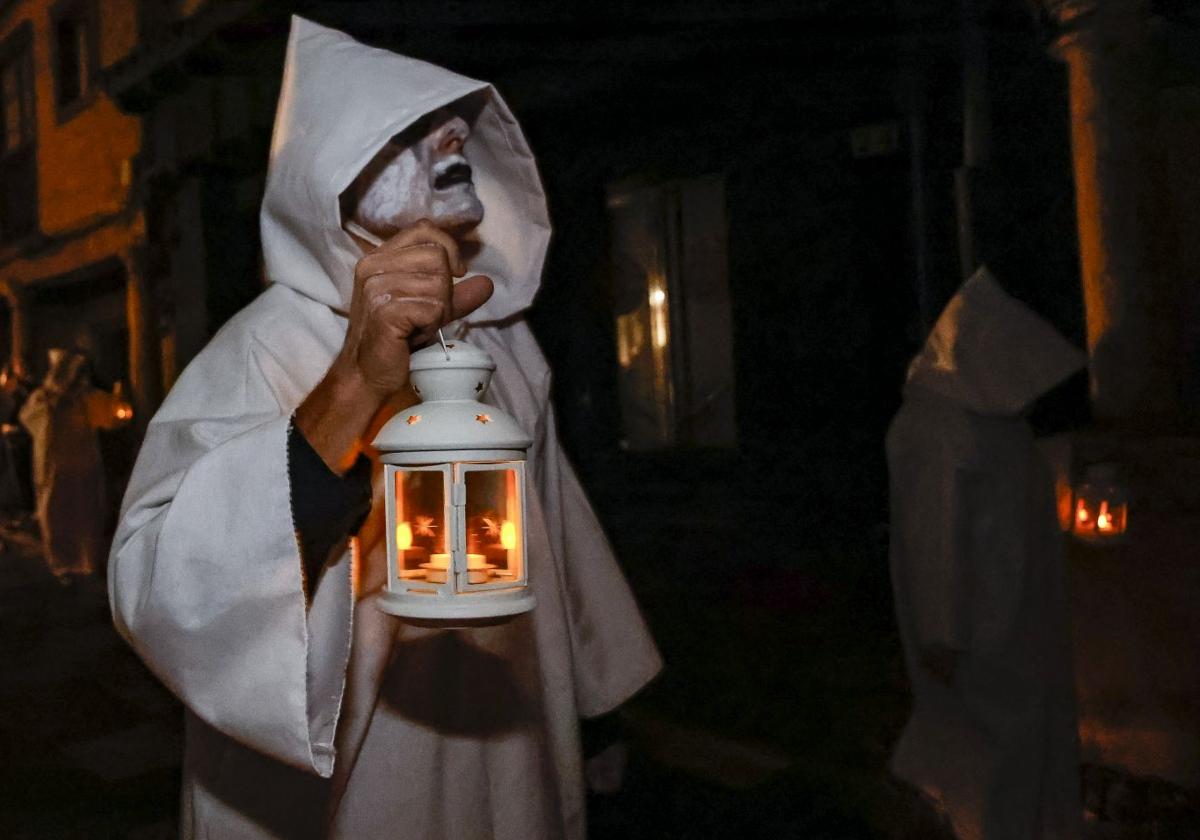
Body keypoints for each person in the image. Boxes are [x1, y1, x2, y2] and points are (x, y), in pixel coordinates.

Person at [109, 17, 661, 840]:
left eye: (450, 117)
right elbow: (165, 585)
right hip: (358, 791)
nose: (452, 132)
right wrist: (355, 386)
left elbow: (551, 529)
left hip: (511, 761)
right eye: (404, 128)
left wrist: (596, 707)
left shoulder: (503, 339)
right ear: (329, 177)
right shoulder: (266, 350)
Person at [886, 267, 1085, 839]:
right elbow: (933, 535)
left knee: (1025, 759)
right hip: (981, 629)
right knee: (993, 767)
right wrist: (942, 632)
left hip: (1013, 616)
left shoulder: (989, 423)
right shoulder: (935, 427)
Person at [20, 349, 128, 585]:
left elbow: (113, 417)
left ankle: (87, 560)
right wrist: (52, 408)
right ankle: (62, 564)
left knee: (86, 514)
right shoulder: (44, 398)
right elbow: (29, 419)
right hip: (55, 469)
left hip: (84, 466)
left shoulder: (87, 398)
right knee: (57, 515)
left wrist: (117, 405)